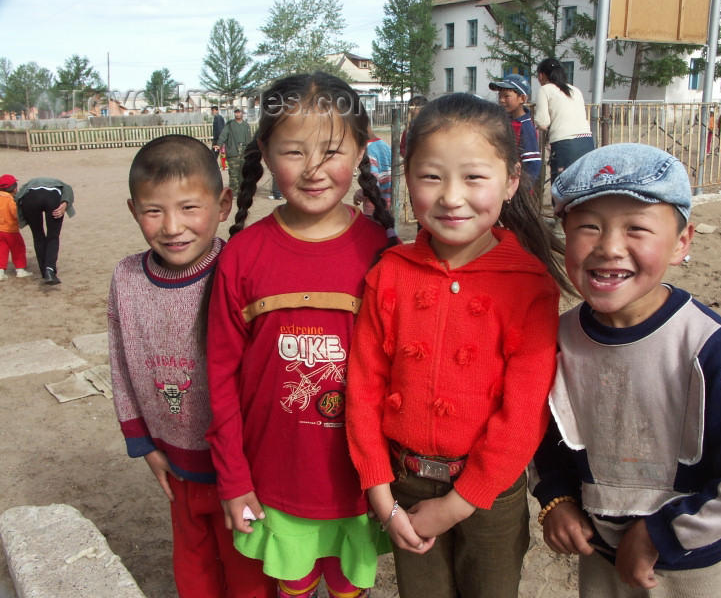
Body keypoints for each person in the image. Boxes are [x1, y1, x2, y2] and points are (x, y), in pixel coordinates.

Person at [346, 92, 573, 598]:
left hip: (489, 494)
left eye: (474, 177)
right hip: (402, 484)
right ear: (407, 179)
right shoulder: (389, 274)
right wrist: (380, 494)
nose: (451, 197)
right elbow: (363, 387)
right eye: (431, 176)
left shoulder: (529, 285)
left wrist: (458, 503)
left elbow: (524, 411)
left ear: (511, 181)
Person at [530, 143, 721, 597]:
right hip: (599, 555)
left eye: (637, 228)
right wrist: (556, 500)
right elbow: (547, 438)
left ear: (681, 243)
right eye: (588, 226)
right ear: (565, 235)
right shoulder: (557, 341)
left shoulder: (711, 350)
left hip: (687, 565)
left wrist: (659, 535)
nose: (608, 247)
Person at [205, 72, 397, 598]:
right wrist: (234, 478)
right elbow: (219, 377)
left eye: (332, 149)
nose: (313, 169)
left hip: (363, 483)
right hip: (276, 482)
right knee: (293, 584)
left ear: (362, 149)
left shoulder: (384, 252)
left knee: (347, 586)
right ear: (265, 152)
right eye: (294, 151)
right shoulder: (243, 257)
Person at [108, 134, 276, 598]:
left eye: (188, 208)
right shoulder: (125, 278)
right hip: (174, 461)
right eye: (153, 210)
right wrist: (141, 442)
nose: (172, 226)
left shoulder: (237, 271)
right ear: (133, 210)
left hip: (238, 467)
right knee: (193, 564)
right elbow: (120, 362)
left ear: (223, 204)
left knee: (248, 569)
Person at [534, 57, 594, 183]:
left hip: (565, 144)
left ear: (541, 75)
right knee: (582, 183)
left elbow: (542, 123)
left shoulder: (545, 89)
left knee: (562, 185)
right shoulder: (575, 90)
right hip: (586, 142)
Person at [14, 176, 75, 284]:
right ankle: (49, 270)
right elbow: (68, 190)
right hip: (52, 197)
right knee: (53, 237)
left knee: (38, 237)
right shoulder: (60, 184)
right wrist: (64, 203)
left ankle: (44, 272)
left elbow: (18, 196)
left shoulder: (28, 185)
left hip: (30, 199)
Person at [489, 73, 542, 181]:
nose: (501, 100)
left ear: (522, 98)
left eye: (507, 96)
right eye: (500, 96)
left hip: (516, 186)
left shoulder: (526, 127)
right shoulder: (503, 121)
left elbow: (532, 162)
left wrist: (524, 189)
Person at [353, 118, 392, 218]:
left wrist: (358, 195)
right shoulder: (385, 146)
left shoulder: (368, 151)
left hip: (374, 209)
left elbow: (372, 185)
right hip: (390, 204)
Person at [0, 174, 33, 280]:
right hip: (11, 230)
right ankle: (20, 269)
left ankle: (1, 271)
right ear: (14, 189)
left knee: (2, 249)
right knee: (18, 248)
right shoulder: (10, 200)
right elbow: (16, 213)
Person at [214, 108, 252, 197]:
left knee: (243, 173)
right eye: (236, 113)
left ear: (242, 114)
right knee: (233, 173)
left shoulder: (246, 125)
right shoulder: (230, 125)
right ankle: (234, 192)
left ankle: (242, 191)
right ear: (235, 114)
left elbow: (249, 139)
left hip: (244, 151)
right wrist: (219, 144)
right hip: (233, 151)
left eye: (239, 112)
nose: (238, 114)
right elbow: (223, 135)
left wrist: (250, 150)